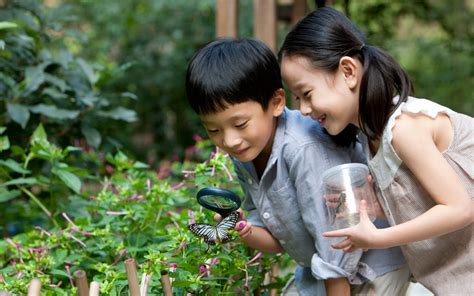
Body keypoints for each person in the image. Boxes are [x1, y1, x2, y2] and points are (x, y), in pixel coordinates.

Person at [185, 37, 410, 295]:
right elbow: (277, 239)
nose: (229, 140)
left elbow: (336, 240)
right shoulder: (246, 154)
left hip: (369, 267)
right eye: (213, 129)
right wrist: (241, 228)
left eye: (240, 124)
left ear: (276, 103)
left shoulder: (303, 149)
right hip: (323, 270)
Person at [278, 7, 473, 295]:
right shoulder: (371, 138)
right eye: (297, 98)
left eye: (306, 94)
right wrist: (383, 208)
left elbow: (460, 207)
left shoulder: (405, 127)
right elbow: (427, 198)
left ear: (348, 71)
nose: (303, 109)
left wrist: (378, 238)